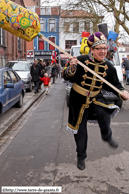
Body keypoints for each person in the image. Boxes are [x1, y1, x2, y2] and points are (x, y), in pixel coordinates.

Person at [63, 32, 129, 170]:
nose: (103, 51)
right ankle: (81, 157)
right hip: (78, 101)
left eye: (105, 48)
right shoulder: (81, 60)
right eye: (99, 49)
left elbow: (115, 85)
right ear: (92, 50)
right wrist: (72, 67)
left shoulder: (109, 67)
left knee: (104, 112)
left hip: (94, 98)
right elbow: (67, 76)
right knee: (80, 132)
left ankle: (107, 136)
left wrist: (122, 92)